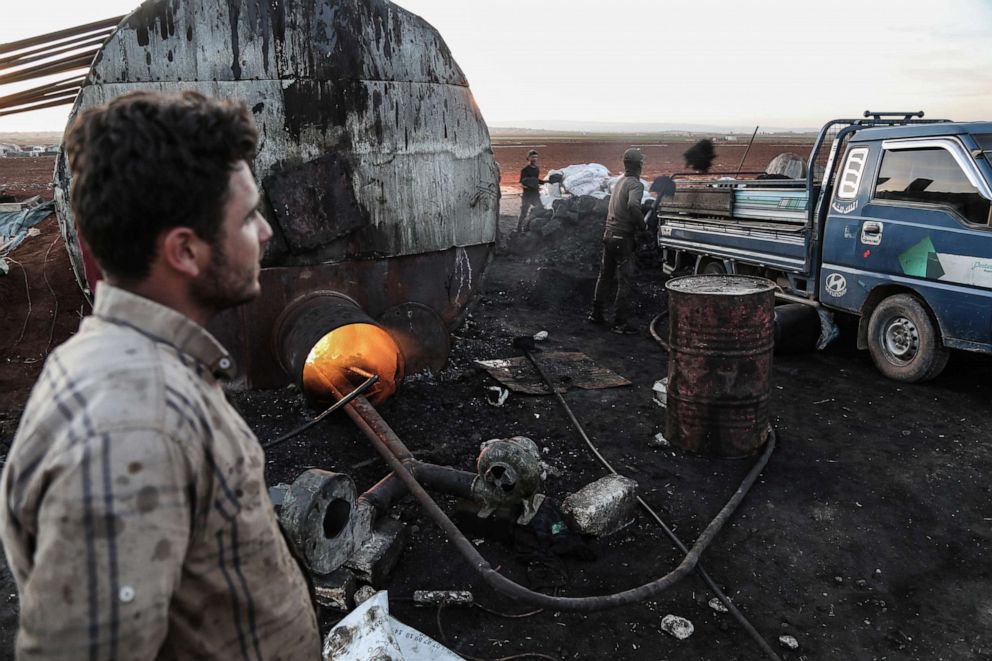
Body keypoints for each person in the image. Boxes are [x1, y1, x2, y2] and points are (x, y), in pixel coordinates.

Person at [0, 91, 321, 659]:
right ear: (185, 251)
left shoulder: (131, 364)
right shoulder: (132, 430)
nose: (267, 232)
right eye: (247, 217)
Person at [589, 148, 647, 334]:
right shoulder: (635, 184)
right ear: (639, 164)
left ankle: (596, 314)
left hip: (609, 234)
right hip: (623, 237)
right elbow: (632, 205)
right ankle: (620, 323)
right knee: (625, 281)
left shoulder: (620, 181)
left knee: (605, 276)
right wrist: (642, 225)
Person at [517, 149, 544, 232]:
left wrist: (544, 182)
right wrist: (527, 186)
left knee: (540, 208)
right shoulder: (525, 170)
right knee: (524, 212)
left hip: (535, 194)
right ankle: (518, 228)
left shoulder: (537, 169)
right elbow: (521, 182)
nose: (534, 159)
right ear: (528, 158)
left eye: (536, 157)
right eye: (532, 157)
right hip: (527, 195)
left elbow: (536, 180)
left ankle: (533, 226)